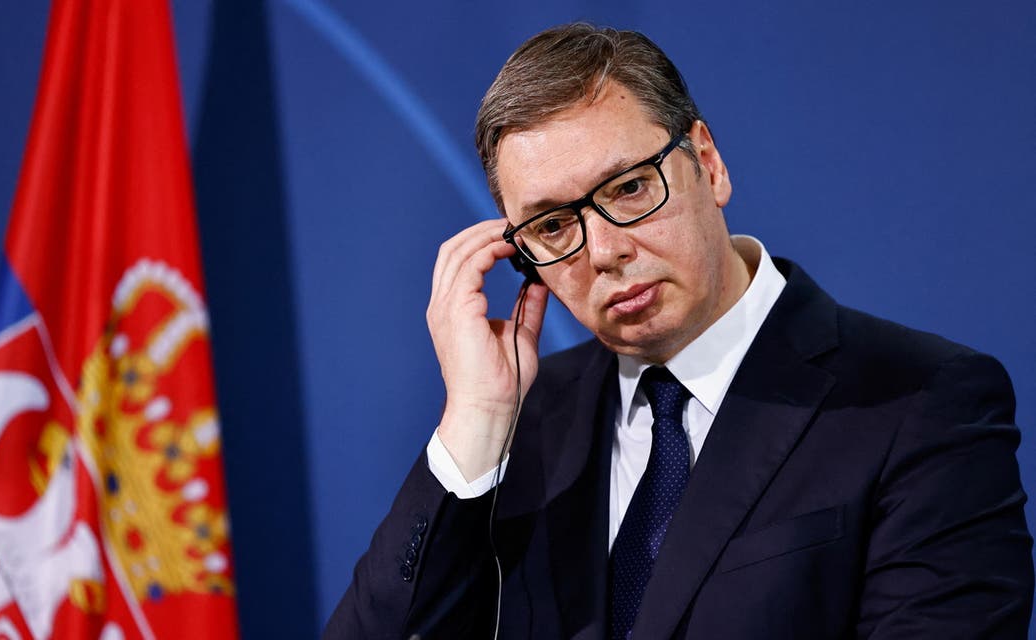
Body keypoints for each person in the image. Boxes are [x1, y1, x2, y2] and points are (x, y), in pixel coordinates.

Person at [324, 23, 1033, 639]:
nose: (603, 251)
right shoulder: (519, 426)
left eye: (630, 187)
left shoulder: (916, 402)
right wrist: (475, 420)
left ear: (709, 162)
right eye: (552, 225)